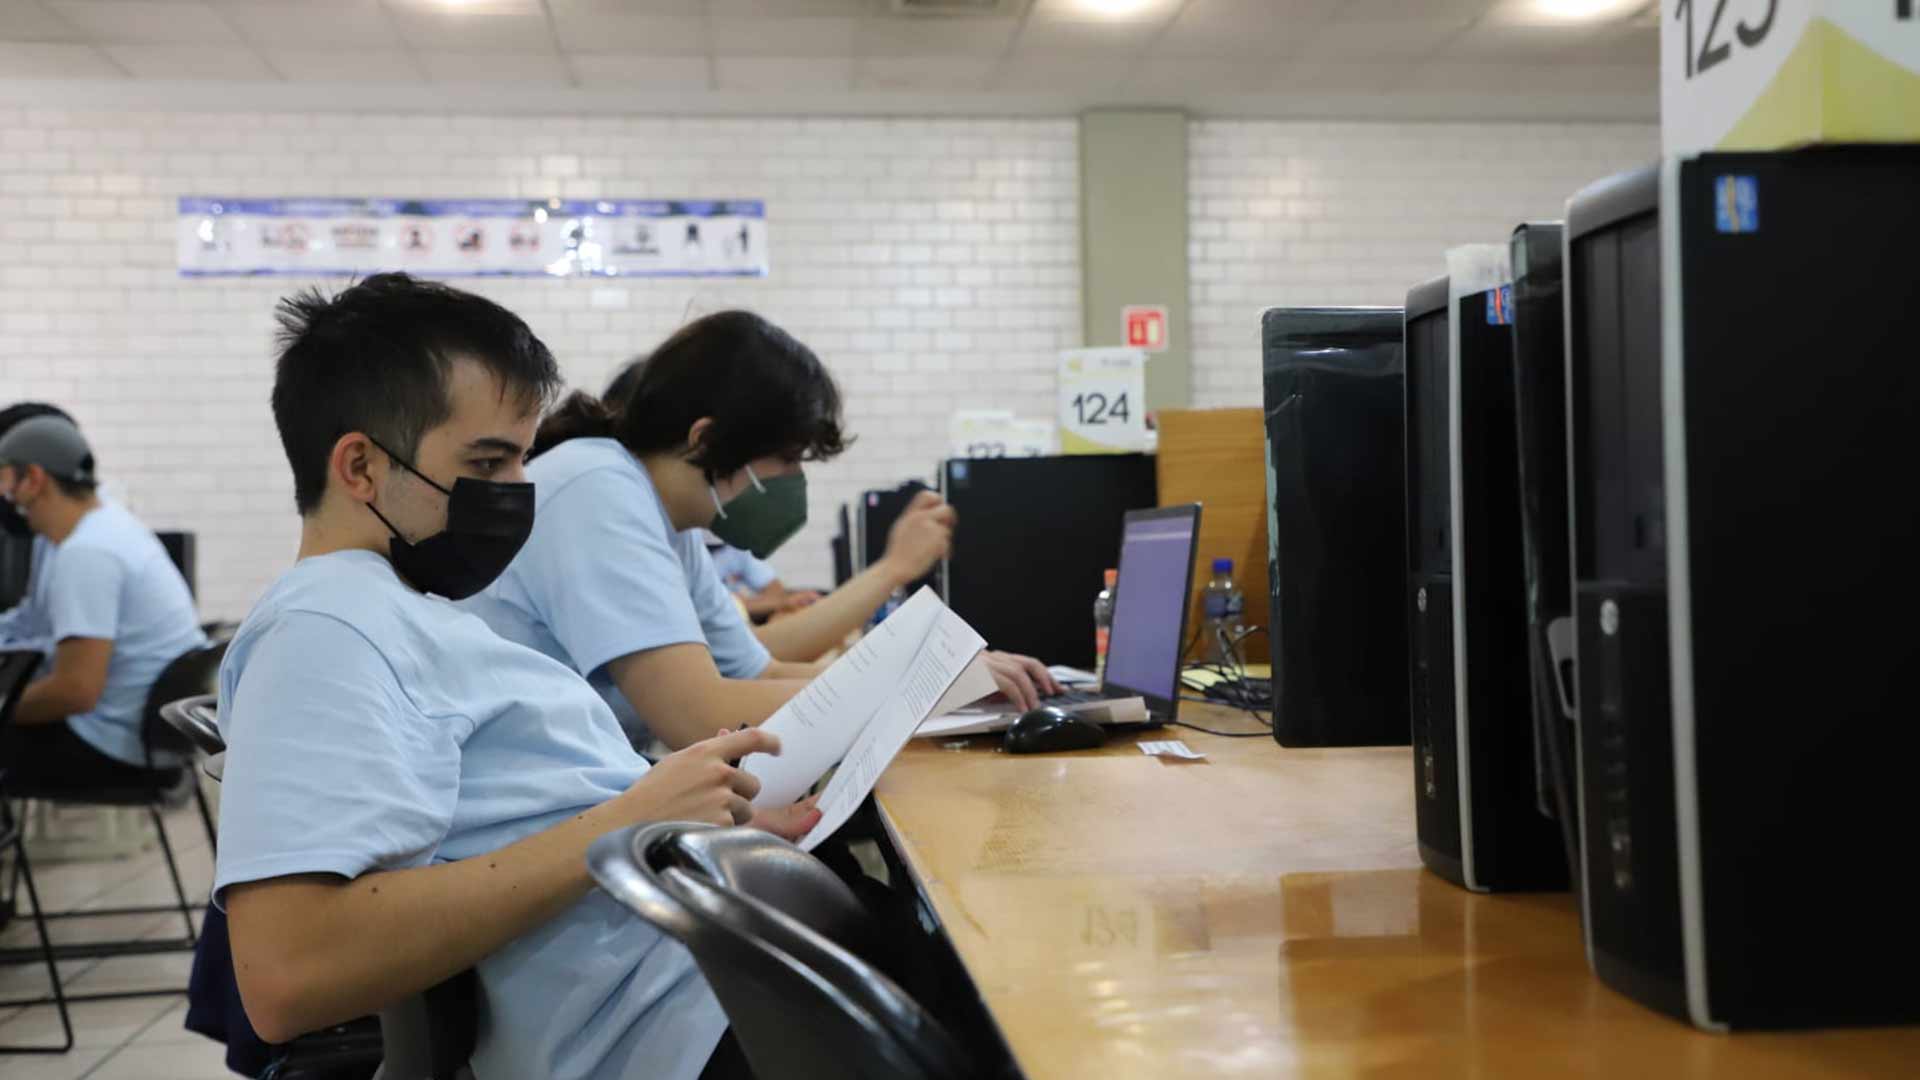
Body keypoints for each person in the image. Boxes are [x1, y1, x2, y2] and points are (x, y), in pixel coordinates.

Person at [213, 273, 807, 1079]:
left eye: (522, 459)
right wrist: (625, 826)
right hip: (669, 1026)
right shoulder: (320, 630)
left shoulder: (405, 609)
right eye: (488, 462)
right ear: (359, 467)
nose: (520, 491)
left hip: (698, 976)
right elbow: (290, 972)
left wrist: (678, 831)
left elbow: (521, 817)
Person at [463, 313, 1060, 754]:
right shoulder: (596, 489)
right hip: (540, 820)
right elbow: (699, 715)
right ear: (706, 441)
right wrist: (923, 688)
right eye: (789, 459)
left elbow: (757, 671)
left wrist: (937, 673)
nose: (794, 481)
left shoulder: (668, 518)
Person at [0, 414, 207, 790]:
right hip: (152, 736)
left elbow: (75, 691)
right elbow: (34, 623)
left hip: (117, 748)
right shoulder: (103, 526)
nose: (5, 494)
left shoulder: (88, 553)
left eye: (5, 478)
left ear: (32, 478)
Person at [0, 402, 75, 661]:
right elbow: (31, 619)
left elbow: (73, 682)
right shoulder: (50, 531)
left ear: (33, 475)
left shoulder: (89, 547)